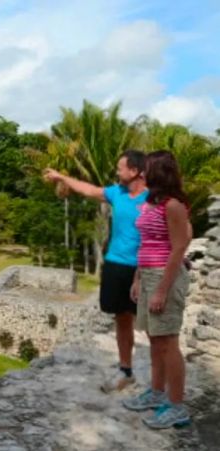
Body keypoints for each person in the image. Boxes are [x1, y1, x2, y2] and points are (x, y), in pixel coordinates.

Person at [44, 149, 147, 392]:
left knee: (152, 325)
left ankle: (161, 386)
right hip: (115, 265)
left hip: (143, 267)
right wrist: (61, 177)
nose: (117, 171)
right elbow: (87, 189)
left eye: (120, 168)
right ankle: (126, 371)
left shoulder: (153, 199)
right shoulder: (117, 193)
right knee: (121, 318)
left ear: (134, 171)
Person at [122, 150, 192, 429]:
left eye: (146, 169)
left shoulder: (173, 205)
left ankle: (177, 407)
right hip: (149, 275)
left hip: (166, 276)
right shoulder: (152, 203)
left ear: (157, 171)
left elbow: (178, 248)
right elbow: (146, 244)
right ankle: (156, 393)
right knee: (154, 340)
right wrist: (138, 280)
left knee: (168, 344)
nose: (142, 173)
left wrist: (162, 290)